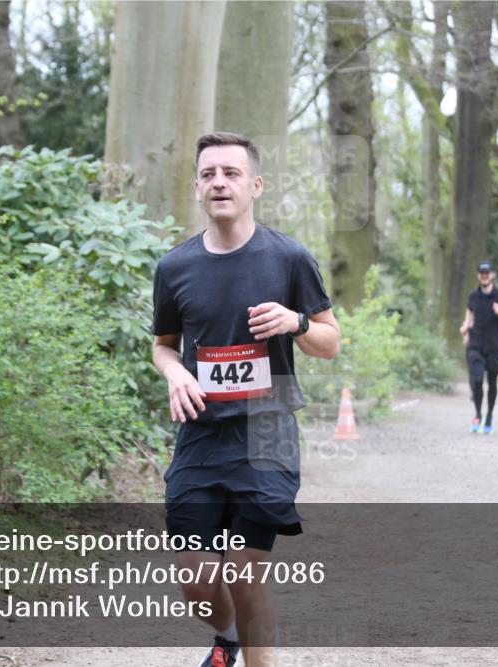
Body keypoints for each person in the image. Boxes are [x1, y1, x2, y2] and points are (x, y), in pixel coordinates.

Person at [151, 132, 340, 667]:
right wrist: (175, 373)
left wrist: (295, 321)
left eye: (231, 173)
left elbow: (330, 342)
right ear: (197, 188)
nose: (219, 183)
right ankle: (228, 636)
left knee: (243, 573)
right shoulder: (175, 267)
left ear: (255, 185)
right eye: (209, 174)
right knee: (196, 581)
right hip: (201, 433)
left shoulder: (289, 258)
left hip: (267, 430)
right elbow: (163, 346)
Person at [459, 262, 498, 435]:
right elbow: (469, 315)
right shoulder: (473, 296)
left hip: (494, 347)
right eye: (481, 273)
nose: (484, 275)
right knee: (477, 380)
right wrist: (465, 330)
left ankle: (489, 416)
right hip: (475, 344)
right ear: (478, 275)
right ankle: (478, 415)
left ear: (493, 275)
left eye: (487, 273)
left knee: (492, 383)